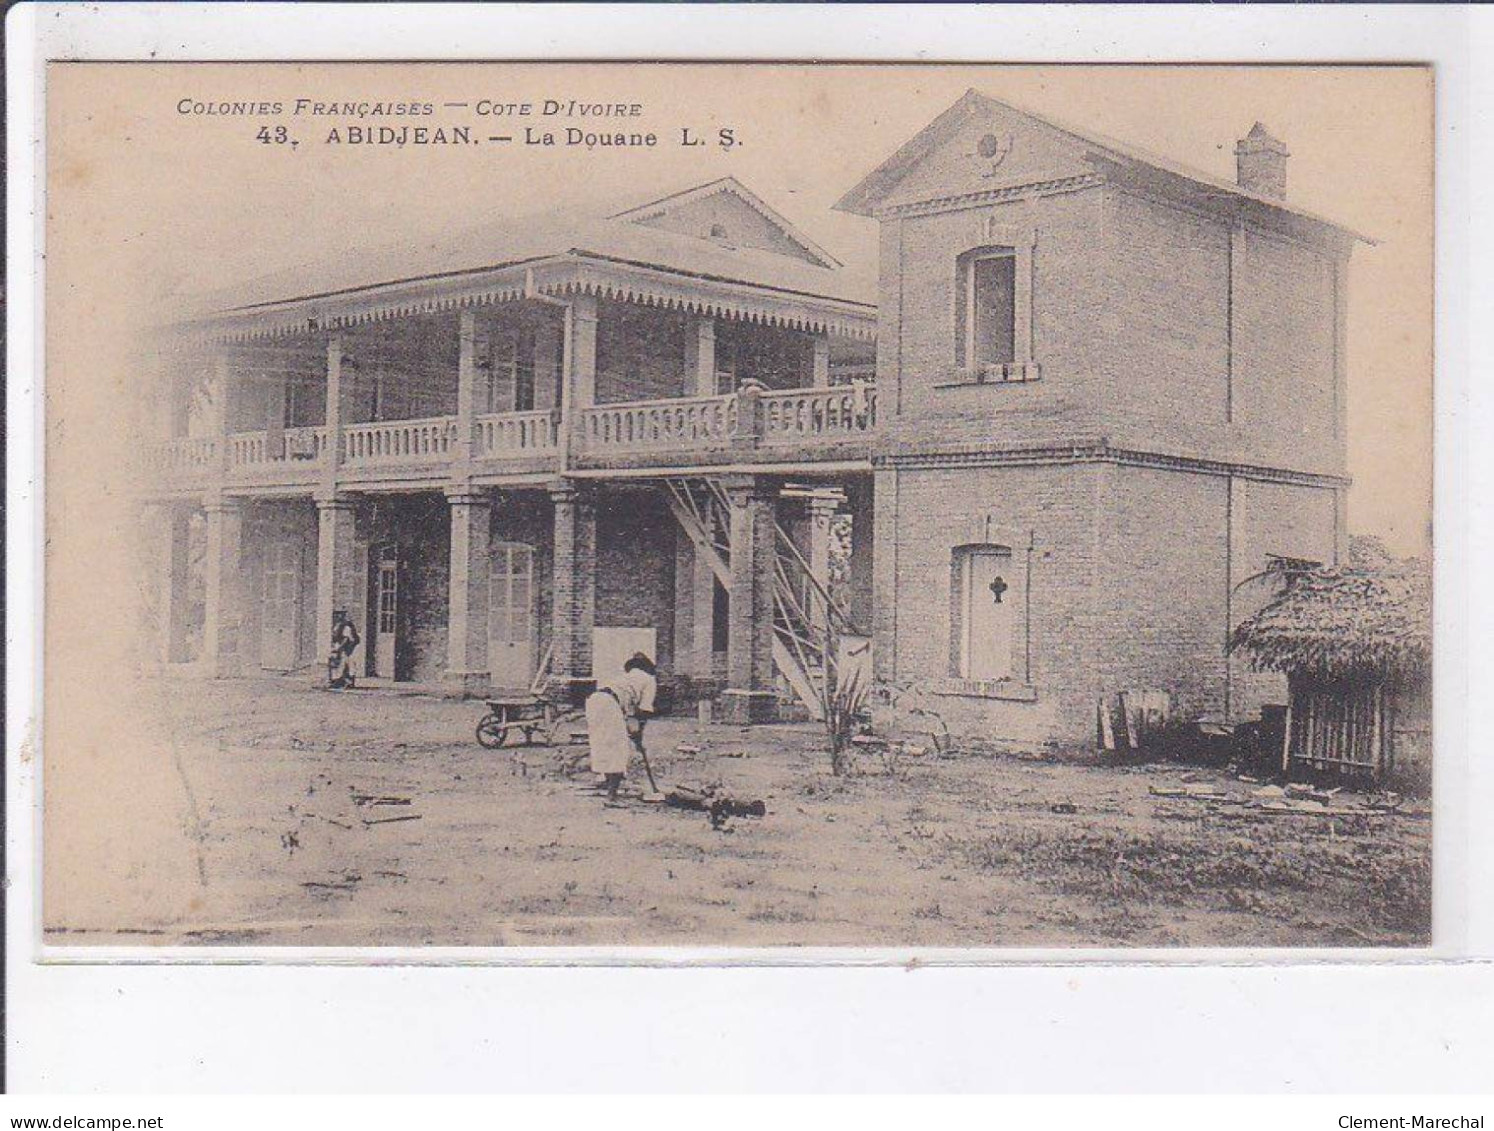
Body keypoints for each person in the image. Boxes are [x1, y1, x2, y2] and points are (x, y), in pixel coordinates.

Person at [584, 652, 658, 801]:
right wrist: (639, 734)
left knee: (603, 742)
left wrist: (634, 732)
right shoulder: (649, 680)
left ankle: (605, 780)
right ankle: (612, 794)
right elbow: (644, 711)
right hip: (610, 703)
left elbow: (627, 711)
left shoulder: (625, 678)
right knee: (618, 747)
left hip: (594, 700)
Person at [327, 610, 361, 690]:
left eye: (340, 615)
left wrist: (339, 648)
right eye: (336, 615)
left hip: (350, 647)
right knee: (341, 664)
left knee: (349, 663)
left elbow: (346, 639)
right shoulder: (338, 625)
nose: (337, 617)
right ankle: (339, 681)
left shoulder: (346, 626)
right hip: (343, 647)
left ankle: (349, 682)